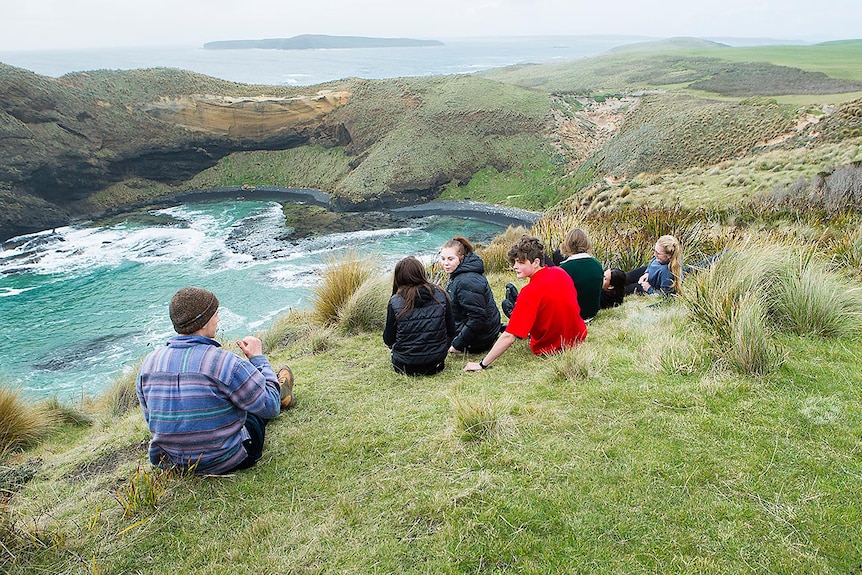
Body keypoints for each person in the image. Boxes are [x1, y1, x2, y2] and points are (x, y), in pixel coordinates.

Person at [136, 286, 294, 475]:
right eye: (216, 314)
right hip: (226, 459)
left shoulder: (148, 364)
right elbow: (270, 407)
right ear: (203, 321)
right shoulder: (224, 362)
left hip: (172, 464)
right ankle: (280, 389)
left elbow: (150, 419)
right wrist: (258, 357)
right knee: (254, 406)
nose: (218, 319)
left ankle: (276, 389)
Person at [465, 236, 587, 371]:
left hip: (551, 347)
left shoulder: (530, 292)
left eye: (521, 262)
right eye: (515, 262)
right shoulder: (560, 272)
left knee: (516, 320)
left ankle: (519, 320)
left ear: (535, 262)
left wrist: (482, 364)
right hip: (578, 337)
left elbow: (508, 337)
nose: (515, 266)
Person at [383, 256, 455, 375]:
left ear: (398, 277)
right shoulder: (441, 295)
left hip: (404, 366)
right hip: (436, 363)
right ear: (421, 273)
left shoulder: (395, 301)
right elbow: (452, 331)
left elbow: (388, 339)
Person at [439, 236, 501, 354]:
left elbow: (477, 318)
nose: (445, 263)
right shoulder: (462, 273)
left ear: (461, 258)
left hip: (479, 340)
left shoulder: (466, 281)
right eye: (443, 258)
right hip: (486, 331)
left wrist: (457, 345)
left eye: (450, 259)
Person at [557, 228, 603, 321]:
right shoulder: (597, 264)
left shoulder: (564, 269)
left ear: (567, 244)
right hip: (591, 313)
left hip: (572, 317)